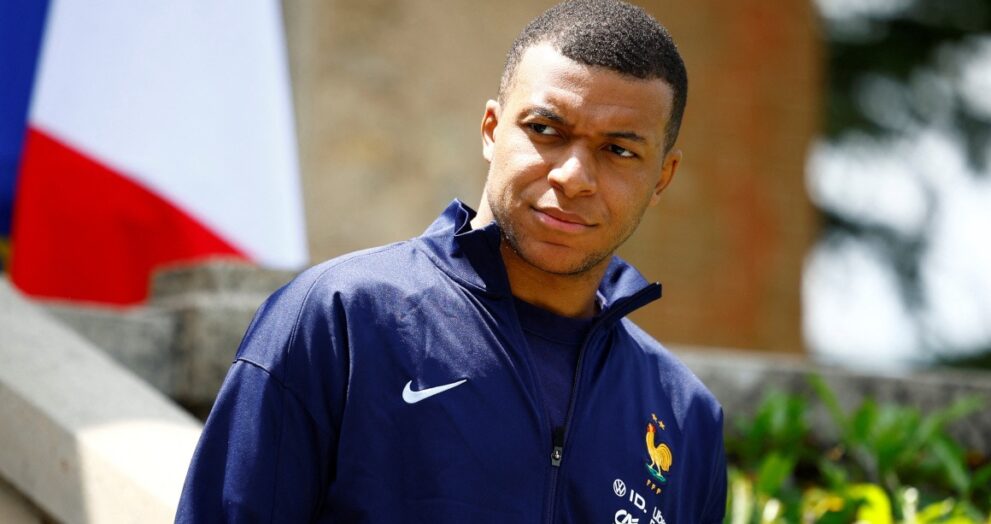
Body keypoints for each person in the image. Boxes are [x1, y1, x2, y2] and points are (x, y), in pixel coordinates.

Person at [176, 0, 727, 522]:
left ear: (662, 177)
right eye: (545, 130)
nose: (573, 176)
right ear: (491, 130)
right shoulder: (339, 319)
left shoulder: (685, 417)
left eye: (619, 150)